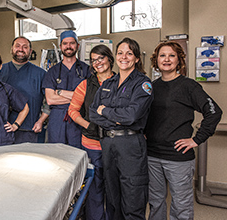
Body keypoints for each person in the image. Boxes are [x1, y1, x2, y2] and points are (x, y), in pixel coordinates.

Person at [145, 41, 222, 220]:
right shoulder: (152, 86)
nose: (167, 59)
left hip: (178, 157)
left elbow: (214, 112)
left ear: (179, 60)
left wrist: (196, 139)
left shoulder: (189, 86)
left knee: (181, 205)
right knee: (155, 202)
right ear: (156, 60)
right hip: (152, 155)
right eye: (162, 55)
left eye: (172, 55)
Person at [89, 37, 153, 220]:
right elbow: (93, 113)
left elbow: (131, 116)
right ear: (115, 57)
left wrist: (106, 111)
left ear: (137, 58)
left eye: (129, 53)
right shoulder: (108, 83)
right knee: (113, 201)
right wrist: (116, 118)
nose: (124, 57)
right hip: (108, 144)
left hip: (130, 145)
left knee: (133, 200)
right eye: (120, 53)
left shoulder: (142, 84)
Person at [68, 45, 115, 220]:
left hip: (114, 144)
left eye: (101, 58)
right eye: (94, 60)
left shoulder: (121, 82)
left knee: (113, 187)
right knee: (94, 187)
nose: (98, 63)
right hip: (92, 144)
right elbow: (73, 111)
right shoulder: (85, 85)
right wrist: (88, 125)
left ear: (109, 59)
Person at [42, 30, 90, 148]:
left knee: (78, 155)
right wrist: (77, 97)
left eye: (72, 43)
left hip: (78, 119)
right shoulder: (52, 72)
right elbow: (50, 100)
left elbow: (89, 97)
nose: (68, 46)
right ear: (60, 47)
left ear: (77, 46)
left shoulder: (87, 70)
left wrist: (60, 92)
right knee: (57, 156)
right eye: (65, 43)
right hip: (57, 120)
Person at [0, 36, 48, 143]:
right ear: (11, 49)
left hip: (30, 129)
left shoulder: (40, 74)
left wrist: (41, 121)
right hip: (3, 128)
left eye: (25, 47)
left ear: (30, 51)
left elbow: (49, 101)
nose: (21, 49)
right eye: (17, 46)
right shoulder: (0, 71)